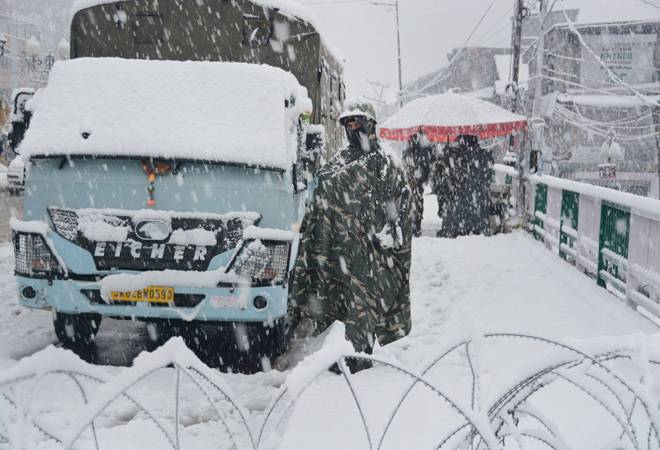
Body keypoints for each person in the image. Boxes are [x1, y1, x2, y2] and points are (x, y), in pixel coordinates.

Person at [290, 98, 413, 372]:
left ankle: (359, 358)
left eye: (357, 122)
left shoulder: (385, 163)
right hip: (338, 250)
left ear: (369, 124)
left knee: (363, 306)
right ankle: (342, 352)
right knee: (339, 305)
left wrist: (391, 232)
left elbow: (402, 205)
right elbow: (323, 196)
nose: (352, 127)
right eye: (348, 122)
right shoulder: (340, 161)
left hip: (370, 254)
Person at [432, 135, 493, 238]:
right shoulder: (480, 155)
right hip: (476, 204)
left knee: (459, 208)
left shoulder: (456, 155)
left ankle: (457, 228)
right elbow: (486, 177)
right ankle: (473, 228)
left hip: (459, 207)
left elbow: (450, 176)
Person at [402, 134, 435, 237]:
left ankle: (414, 224)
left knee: (413, 202)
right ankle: (416, 225)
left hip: (413, 179)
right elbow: (427, 164)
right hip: (416, 179)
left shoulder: (411, 151)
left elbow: (405, 164)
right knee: (416, 202)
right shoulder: (423, 150)